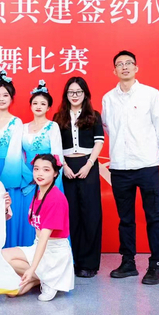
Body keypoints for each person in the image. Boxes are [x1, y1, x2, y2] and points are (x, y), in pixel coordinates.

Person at [102, 50, 159, 285]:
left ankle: (156, 264)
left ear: (136, 68)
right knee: (125, 218)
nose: (125, 67)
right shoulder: (108, 98)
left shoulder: (151, 94)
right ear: (114, 71)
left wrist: (149, 151)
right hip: (120, 166)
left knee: (153, 216)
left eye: (129, 63)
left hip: (146, 164)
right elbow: (108, 128)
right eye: (120, 64)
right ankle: (128, 262)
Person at [1, 154, 74, 302]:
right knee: (11, 290)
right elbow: (38, 236)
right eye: (36, 169)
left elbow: (44, 239)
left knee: (15, 286)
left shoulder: (56, 199)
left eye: (46, 170)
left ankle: (50, 279)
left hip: (54, 252)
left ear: (55, 173)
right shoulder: (38, 193)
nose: (40, 173)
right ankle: (39, 279)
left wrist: (31, 268)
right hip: (38, 246)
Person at [54, 76, 104, 278]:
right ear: (66, 94)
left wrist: (89, 164)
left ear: (85, 94)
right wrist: (64, 166)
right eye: (71, 92)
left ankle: (89, 263)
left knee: (90, 214)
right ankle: (72, 261)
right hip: (66, 167)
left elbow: (99, 142)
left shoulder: (94, 115)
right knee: (71, 214)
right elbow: (56, 145)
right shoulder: (59, 117)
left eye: (78, 92)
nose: (74, 95)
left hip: (88, 164)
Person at [20, 80, 64, 247]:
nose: (38, 106)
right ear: (30, 105)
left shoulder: (52, 127)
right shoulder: (23, 127)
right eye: (35, 103)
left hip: (47, 177)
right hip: (28, 179)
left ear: (48, 107)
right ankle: (28, 253)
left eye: (43, 104)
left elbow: (57, 156)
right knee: (29, 216)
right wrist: (29, 176)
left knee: (47, 217)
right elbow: (18, 155)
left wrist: (47, 177)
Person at [0, 71, 24, 247]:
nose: (1, 99)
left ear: (11, 98)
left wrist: (4, 178)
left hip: (8, 168)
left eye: (5, 95)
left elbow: (15, 151)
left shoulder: (16, 122)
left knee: (7, 209)